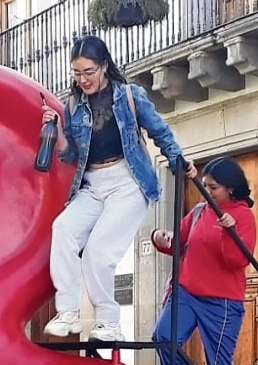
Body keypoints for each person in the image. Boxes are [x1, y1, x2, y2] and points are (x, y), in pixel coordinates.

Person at [41, 35, 196, 342]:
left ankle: (109, 322)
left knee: (99, 251)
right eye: (77, 73)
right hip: (93, 184)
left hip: (129, 181)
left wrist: (179, 160)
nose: (83, 79)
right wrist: (58, 131)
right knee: (63, 230)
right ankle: (68, 313)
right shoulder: (73, 107)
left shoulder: (129, 95)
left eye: (89, 72)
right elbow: (71, 153)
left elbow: (159, 131)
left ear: (104, 66)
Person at [150, 157, 258, 365]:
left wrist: (228, 230)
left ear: (231, 189)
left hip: (222, 302)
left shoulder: (243, 216)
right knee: (163, 336)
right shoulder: (199, 212)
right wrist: (160, 238)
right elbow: (178, 242)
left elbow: (237, 261)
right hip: (187, 292)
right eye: (205, 186)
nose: (207, 192)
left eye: (213, 188)